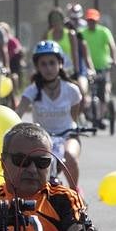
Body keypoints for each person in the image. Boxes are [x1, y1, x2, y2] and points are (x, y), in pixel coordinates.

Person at [16, 41, 83, 188]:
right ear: (38, 67)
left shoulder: (72, 90)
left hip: (68, 136)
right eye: (43, 64)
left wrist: (74, 129)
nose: (48, 68)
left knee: (69, 157)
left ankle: (75, 195)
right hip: (42, 140)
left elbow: (74, 116)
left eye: (52, 63)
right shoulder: (32, 90)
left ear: (60, 63)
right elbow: (18, 113)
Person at [79, 8, 116, 127]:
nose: (92, 23)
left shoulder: (104, 31)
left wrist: (115, 59)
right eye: (90, 20)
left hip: (102, 66)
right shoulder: (81, 33)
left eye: (94, 20)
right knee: (87, 90)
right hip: (88, 68)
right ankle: (87, 112)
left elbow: (112, 46)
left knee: (103, 93)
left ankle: (100, 116)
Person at [0, 21, 24, 109]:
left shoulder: (12, 41)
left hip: (12, 68)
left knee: (13, 79)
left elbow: (19, 48)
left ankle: (14, 99)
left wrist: (15, 53)